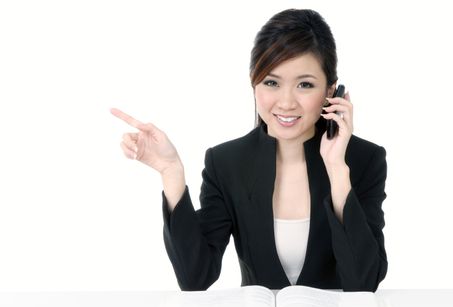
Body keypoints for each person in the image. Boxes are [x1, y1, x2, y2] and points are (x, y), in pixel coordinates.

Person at [111, 8, 388, 292]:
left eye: (305, 84)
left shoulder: (364, 160)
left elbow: (363, 284)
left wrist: (338, 170)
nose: (286, 102)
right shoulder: (226, 163)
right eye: (271, 83)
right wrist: (171, 172)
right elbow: (195, 277)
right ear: (254, 84)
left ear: (331, 92)